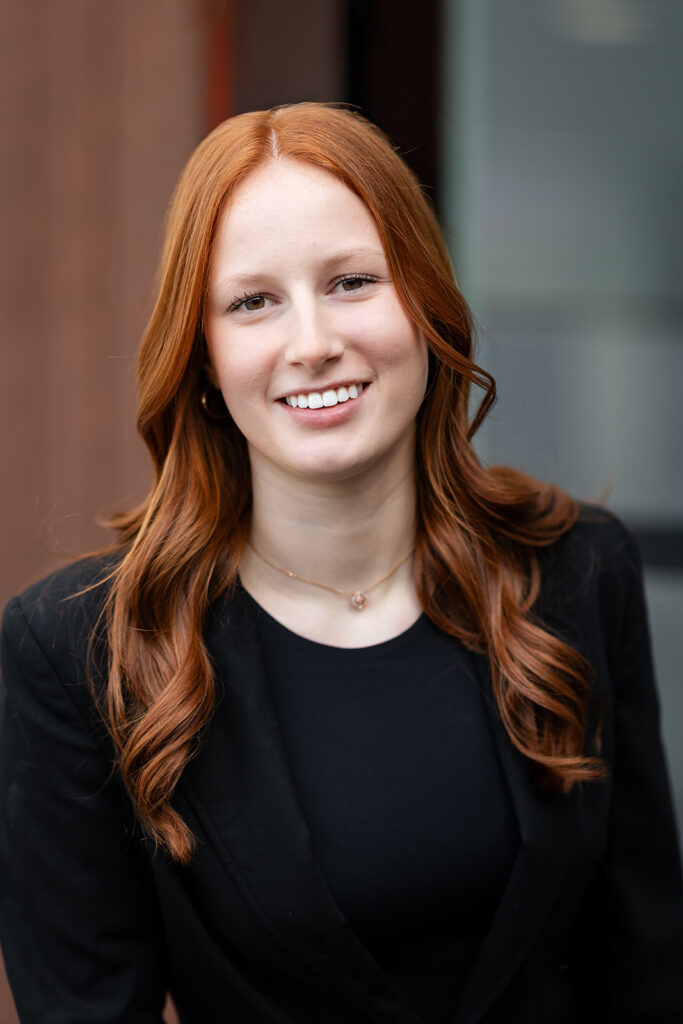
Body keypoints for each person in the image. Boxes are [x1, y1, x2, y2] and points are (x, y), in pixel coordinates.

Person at [1, 102, 682, 1024]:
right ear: (201, 354)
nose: (312, 341)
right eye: (253, 302)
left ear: (426, 304)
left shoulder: (576, 572)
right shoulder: (79, 653)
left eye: (352, 281)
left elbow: (645, 967)